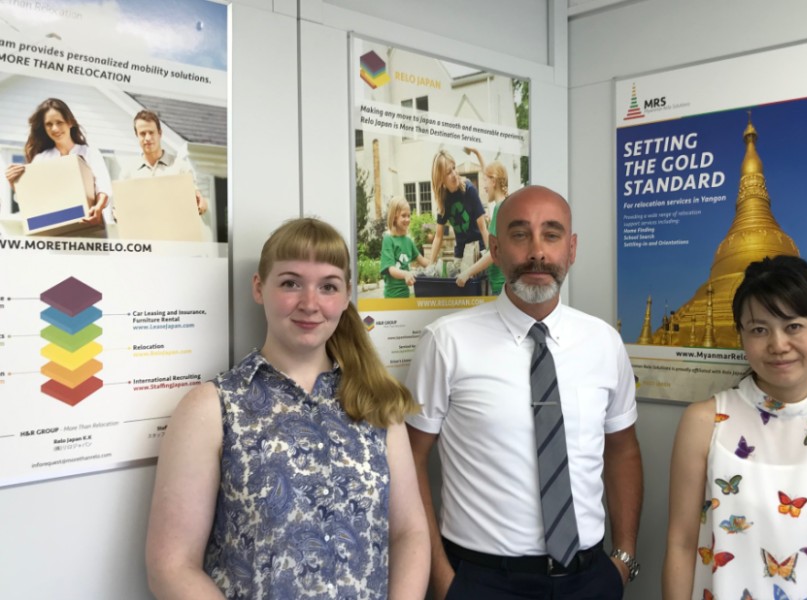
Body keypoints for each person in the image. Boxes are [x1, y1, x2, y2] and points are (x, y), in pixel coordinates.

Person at [146, 217, 430, 599]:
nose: (310, 304)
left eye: (328, 286)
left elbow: (409, 532)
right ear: (259, 288)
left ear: (346, 296)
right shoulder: (213, 408)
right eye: (291, 283)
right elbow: (171, 567)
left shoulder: (376, 404)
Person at [407, 185, 644, 600]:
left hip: (589, 579)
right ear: (495, 249)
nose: (537, 252)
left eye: (552, 235)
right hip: (482, 581)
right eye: (520, 234)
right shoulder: (446, 343)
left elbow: (622, 449)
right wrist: (442, 579)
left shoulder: (604, 342)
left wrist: (622, 559)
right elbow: (410, 458)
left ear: (571, 249)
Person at [662, 256, 807, 599]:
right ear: (741, 335)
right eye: (759, 329)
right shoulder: (705, 422)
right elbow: (682, 544)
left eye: (794, 326)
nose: (778, 345)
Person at [4, 98, 112, 227]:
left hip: (89, 225)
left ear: (70, 122)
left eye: (59, 122)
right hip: (53, 228)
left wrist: (98, 208)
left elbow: (103, 186)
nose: (54, 128)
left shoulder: (90, 153)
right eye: (49, 124)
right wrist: (15, 184)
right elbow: (32, 200)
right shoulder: (41, 159)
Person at [123, 109, 208, 215]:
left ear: (160, 133)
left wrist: (201, 203)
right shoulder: (128, 172)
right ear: (137, 135)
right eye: (143, 134)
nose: (147, 138)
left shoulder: (181, 167)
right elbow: (119, 207)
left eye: (151, 132)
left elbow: (197, 197)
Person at [425, 150, 490, 270]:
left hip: (479, 250)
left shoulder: (469, 190)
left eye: (454, 168)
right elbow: (438, 237)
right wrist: (430, 265)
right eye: (448, 172)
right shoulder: (443, 200)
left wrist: (490, 254)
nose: (454, 174)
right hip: (461, 253)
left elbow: (483, 228)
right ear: (440, 179)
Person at [456, 147, 508, 294]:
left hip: (500, 287)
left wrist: (467, 273)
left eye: (485, 180)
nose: (484, 186)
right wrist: (477, 153)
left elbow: (493, 254)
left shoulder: (499, 209)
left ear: (494, 181)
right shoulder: (505, 205)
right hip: (503, 285)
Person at [381, 196, 430, 298]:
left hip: (405, 295)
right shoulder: (388, 239)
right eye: (403, 216)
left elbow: (421, 260)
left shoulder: (408, 241)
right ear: (394, 217)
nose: (407, 219)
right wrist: (406, 274)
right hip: (392, 297)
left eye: (409, 215)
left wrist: (437, 266)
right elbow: (391, 269)